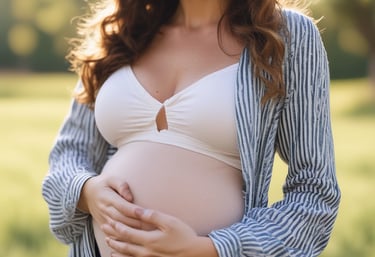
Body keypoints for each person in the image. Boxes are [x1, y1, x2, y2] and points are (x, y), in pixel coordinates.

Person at [42, 0, 341, 256]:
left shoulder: (286, 36)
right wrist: (87, 192)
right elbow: (69, 154)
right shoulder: (123, 33)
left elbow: (315, 192)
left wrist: (210, 249)